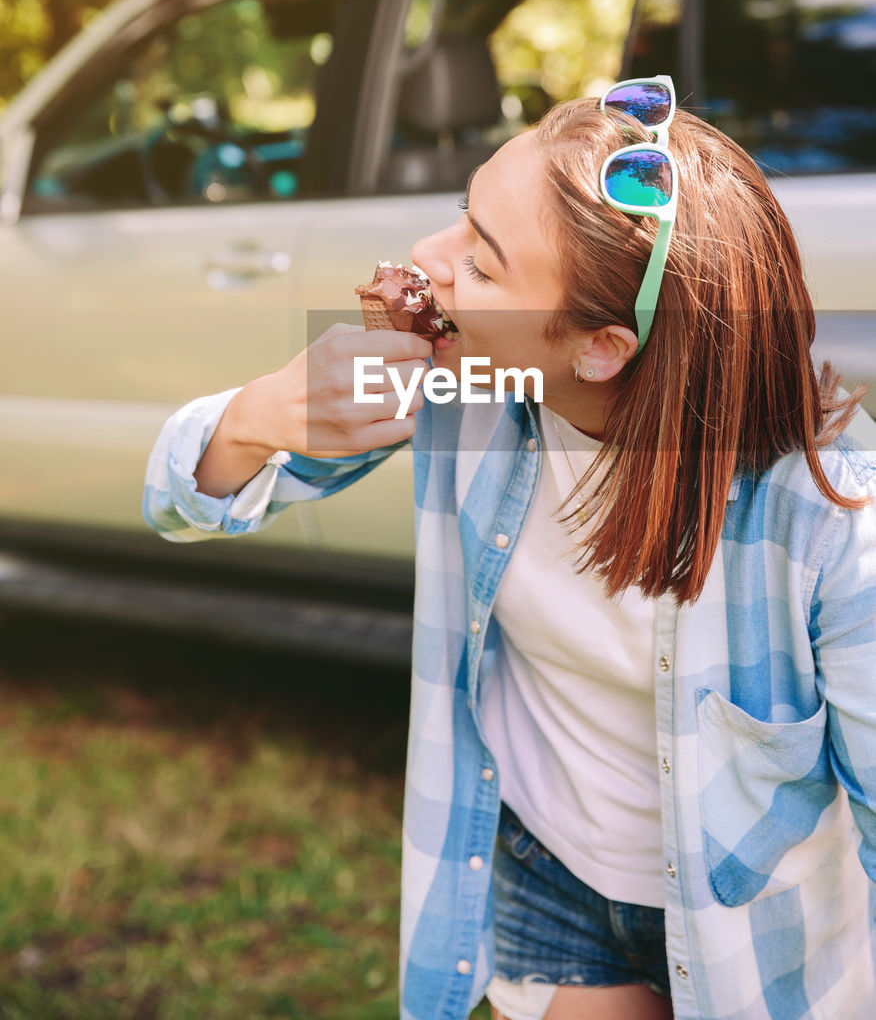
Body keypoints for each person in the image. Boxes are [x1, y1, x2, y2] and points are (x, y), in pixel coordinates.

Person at [143, 77, 876, 1020]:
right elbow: (183, 503)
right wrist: (257, 416)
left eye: (482, 266)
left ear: (600, 348)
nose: (426, 258)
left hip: (750, 937)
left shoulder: (828, 522)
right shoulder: (464, 381)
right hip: (545, 873)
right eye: (462, 216)